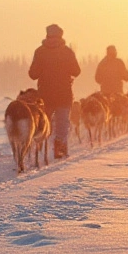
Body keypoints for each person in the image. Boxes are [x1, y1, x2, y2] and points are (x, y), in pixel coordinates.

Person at [27, 24, 81, 159]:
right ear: (61, 35)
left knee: (45, 122)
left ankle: (41, 149)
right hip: (64, 94)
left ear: (47, 35)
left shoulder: (40, 51)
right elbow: (76, 71)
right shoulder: (67, 51)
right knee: (62, 123)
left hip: (45, 94)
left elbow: (33, 74)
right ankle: (60, 147)